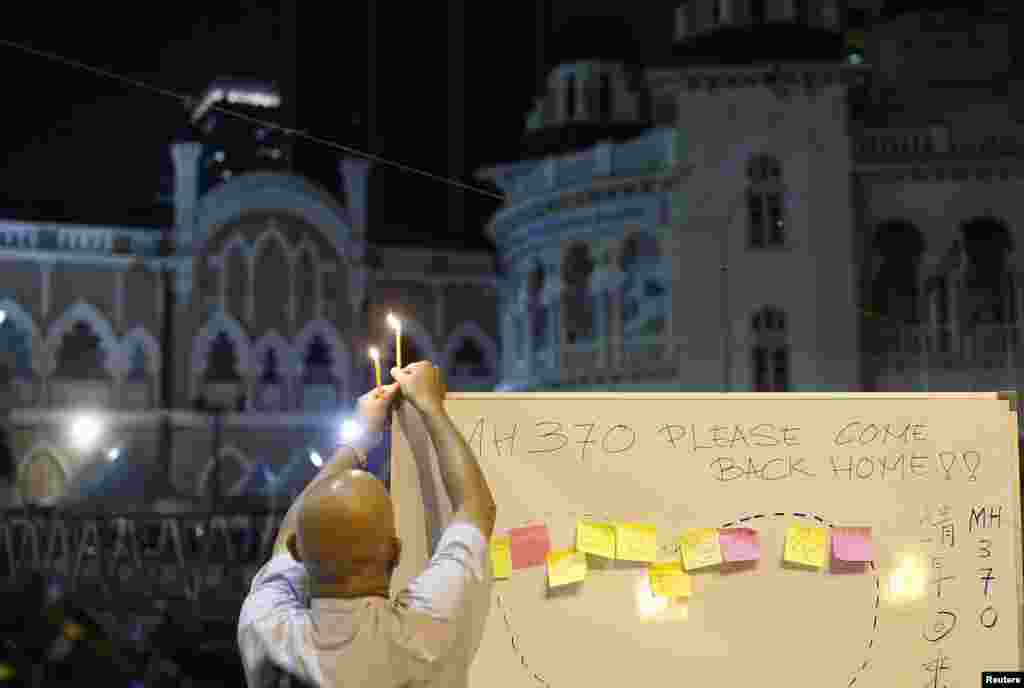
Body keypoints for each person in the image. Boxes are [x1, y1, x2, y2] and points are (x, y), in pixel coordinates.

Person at [238, 360, 497, 687]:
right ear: (395, 552)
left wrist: (360, 439)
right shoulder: (427, 628)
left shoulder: (266, 628)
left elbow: (288, 532)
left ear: (297, 551)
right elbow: (475, 507)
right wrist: (431, 408)